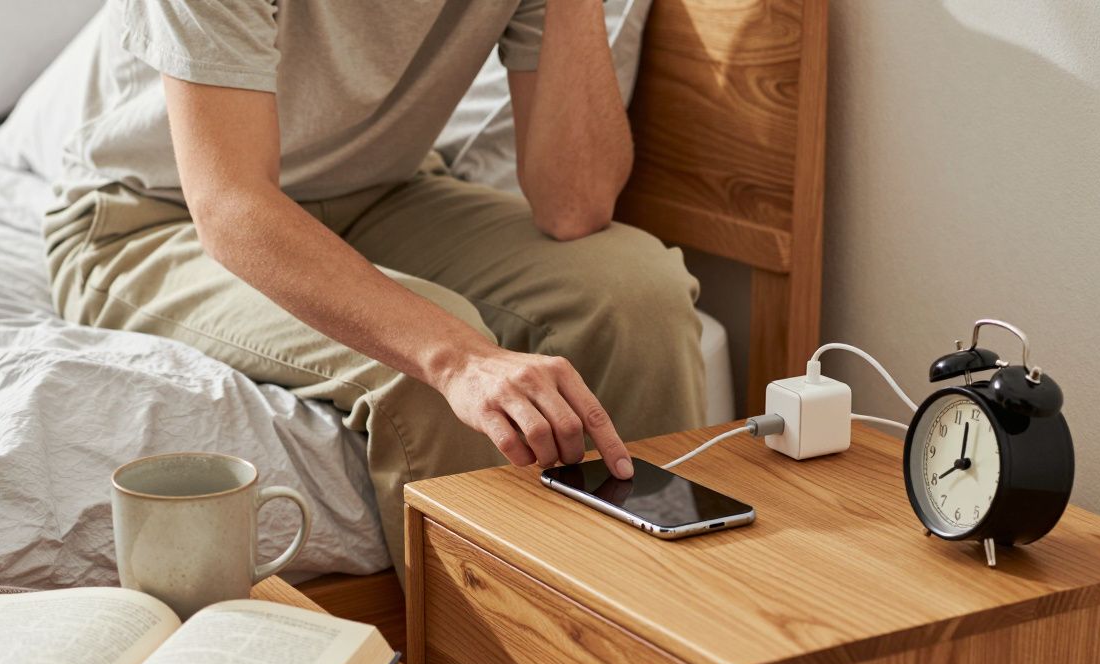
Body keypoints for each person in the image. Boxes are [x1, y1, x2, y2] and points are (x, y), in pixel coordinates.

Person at [44, 0, 705, 577]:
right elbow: (230, 204)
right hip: (153, 219)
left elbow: (575, 205)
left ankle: (660, 621)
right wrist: (458, 357)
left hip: (385, 190)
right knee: (429, 360)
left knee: (636, 290)